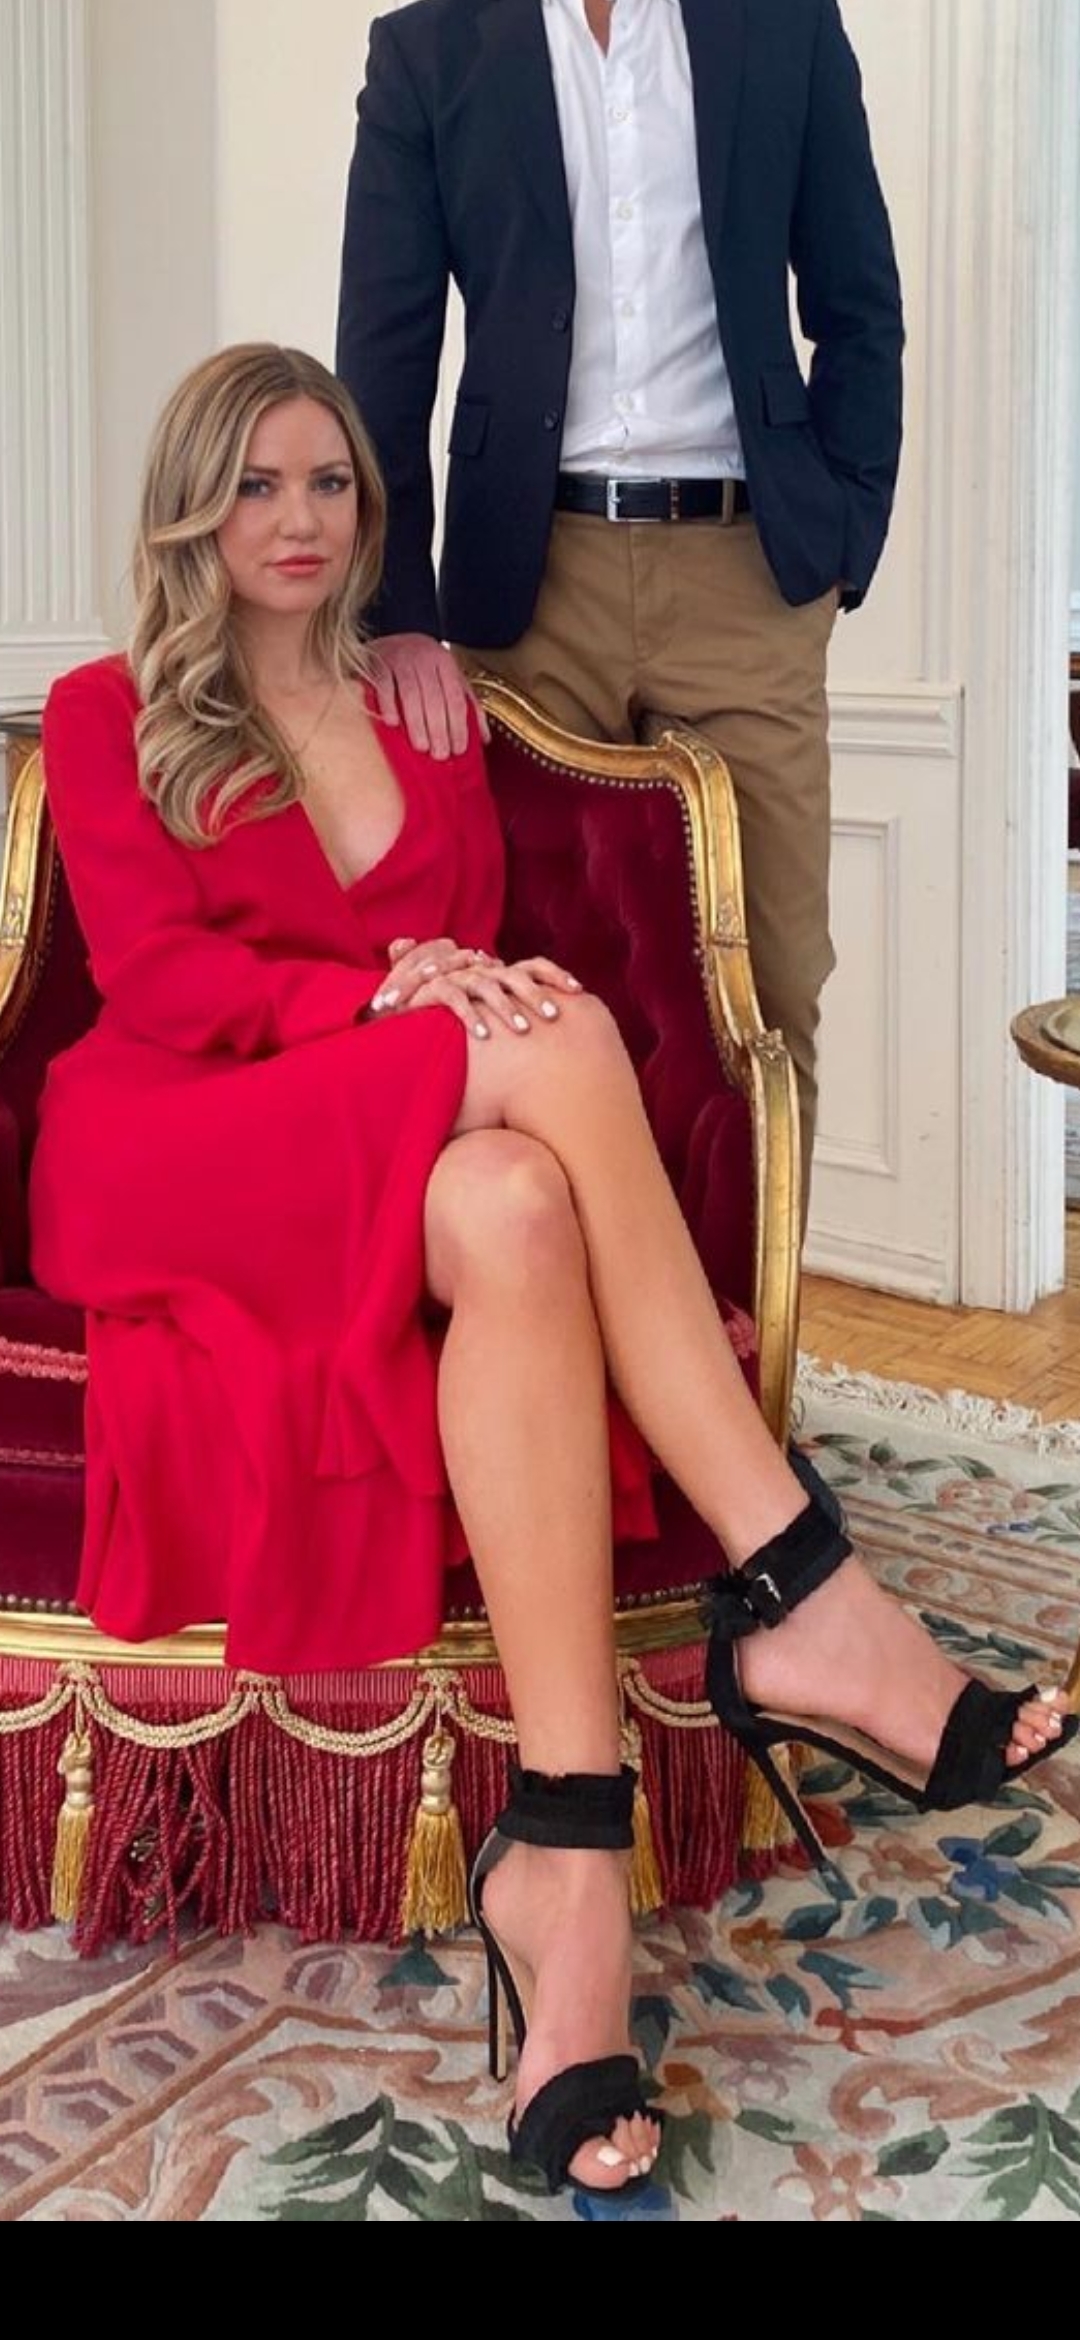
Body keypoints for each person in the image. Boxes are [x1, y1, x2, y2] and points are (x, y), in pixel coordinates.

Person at [31, 345, 1073, 2205]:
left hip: (385, 1132)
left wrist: (429, 989)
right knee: (556, 1036)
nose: (297, 519)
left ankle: (565, 1856)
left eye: (330, 483)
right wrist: (387, 994)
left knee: (516, 1202)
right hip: (176, 1139)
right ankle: (802, 1583)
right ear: (193, 508)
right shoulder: (114, 712)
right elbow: (165, 982)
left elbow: (470, 943)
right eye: (257, 484)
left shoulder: (425, 704)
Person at [336, 0, 905, 1231]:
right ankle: (574, 1339)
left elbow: (859, 303)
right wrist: (395, 613)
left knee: (768, 986)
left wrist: (842, 540)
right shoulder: (429, 49)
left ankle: (751, 1343)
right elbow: (382, 352)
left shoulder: (785, 27)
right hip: (525, 583)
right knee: (532, 993)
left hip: (747, 570)